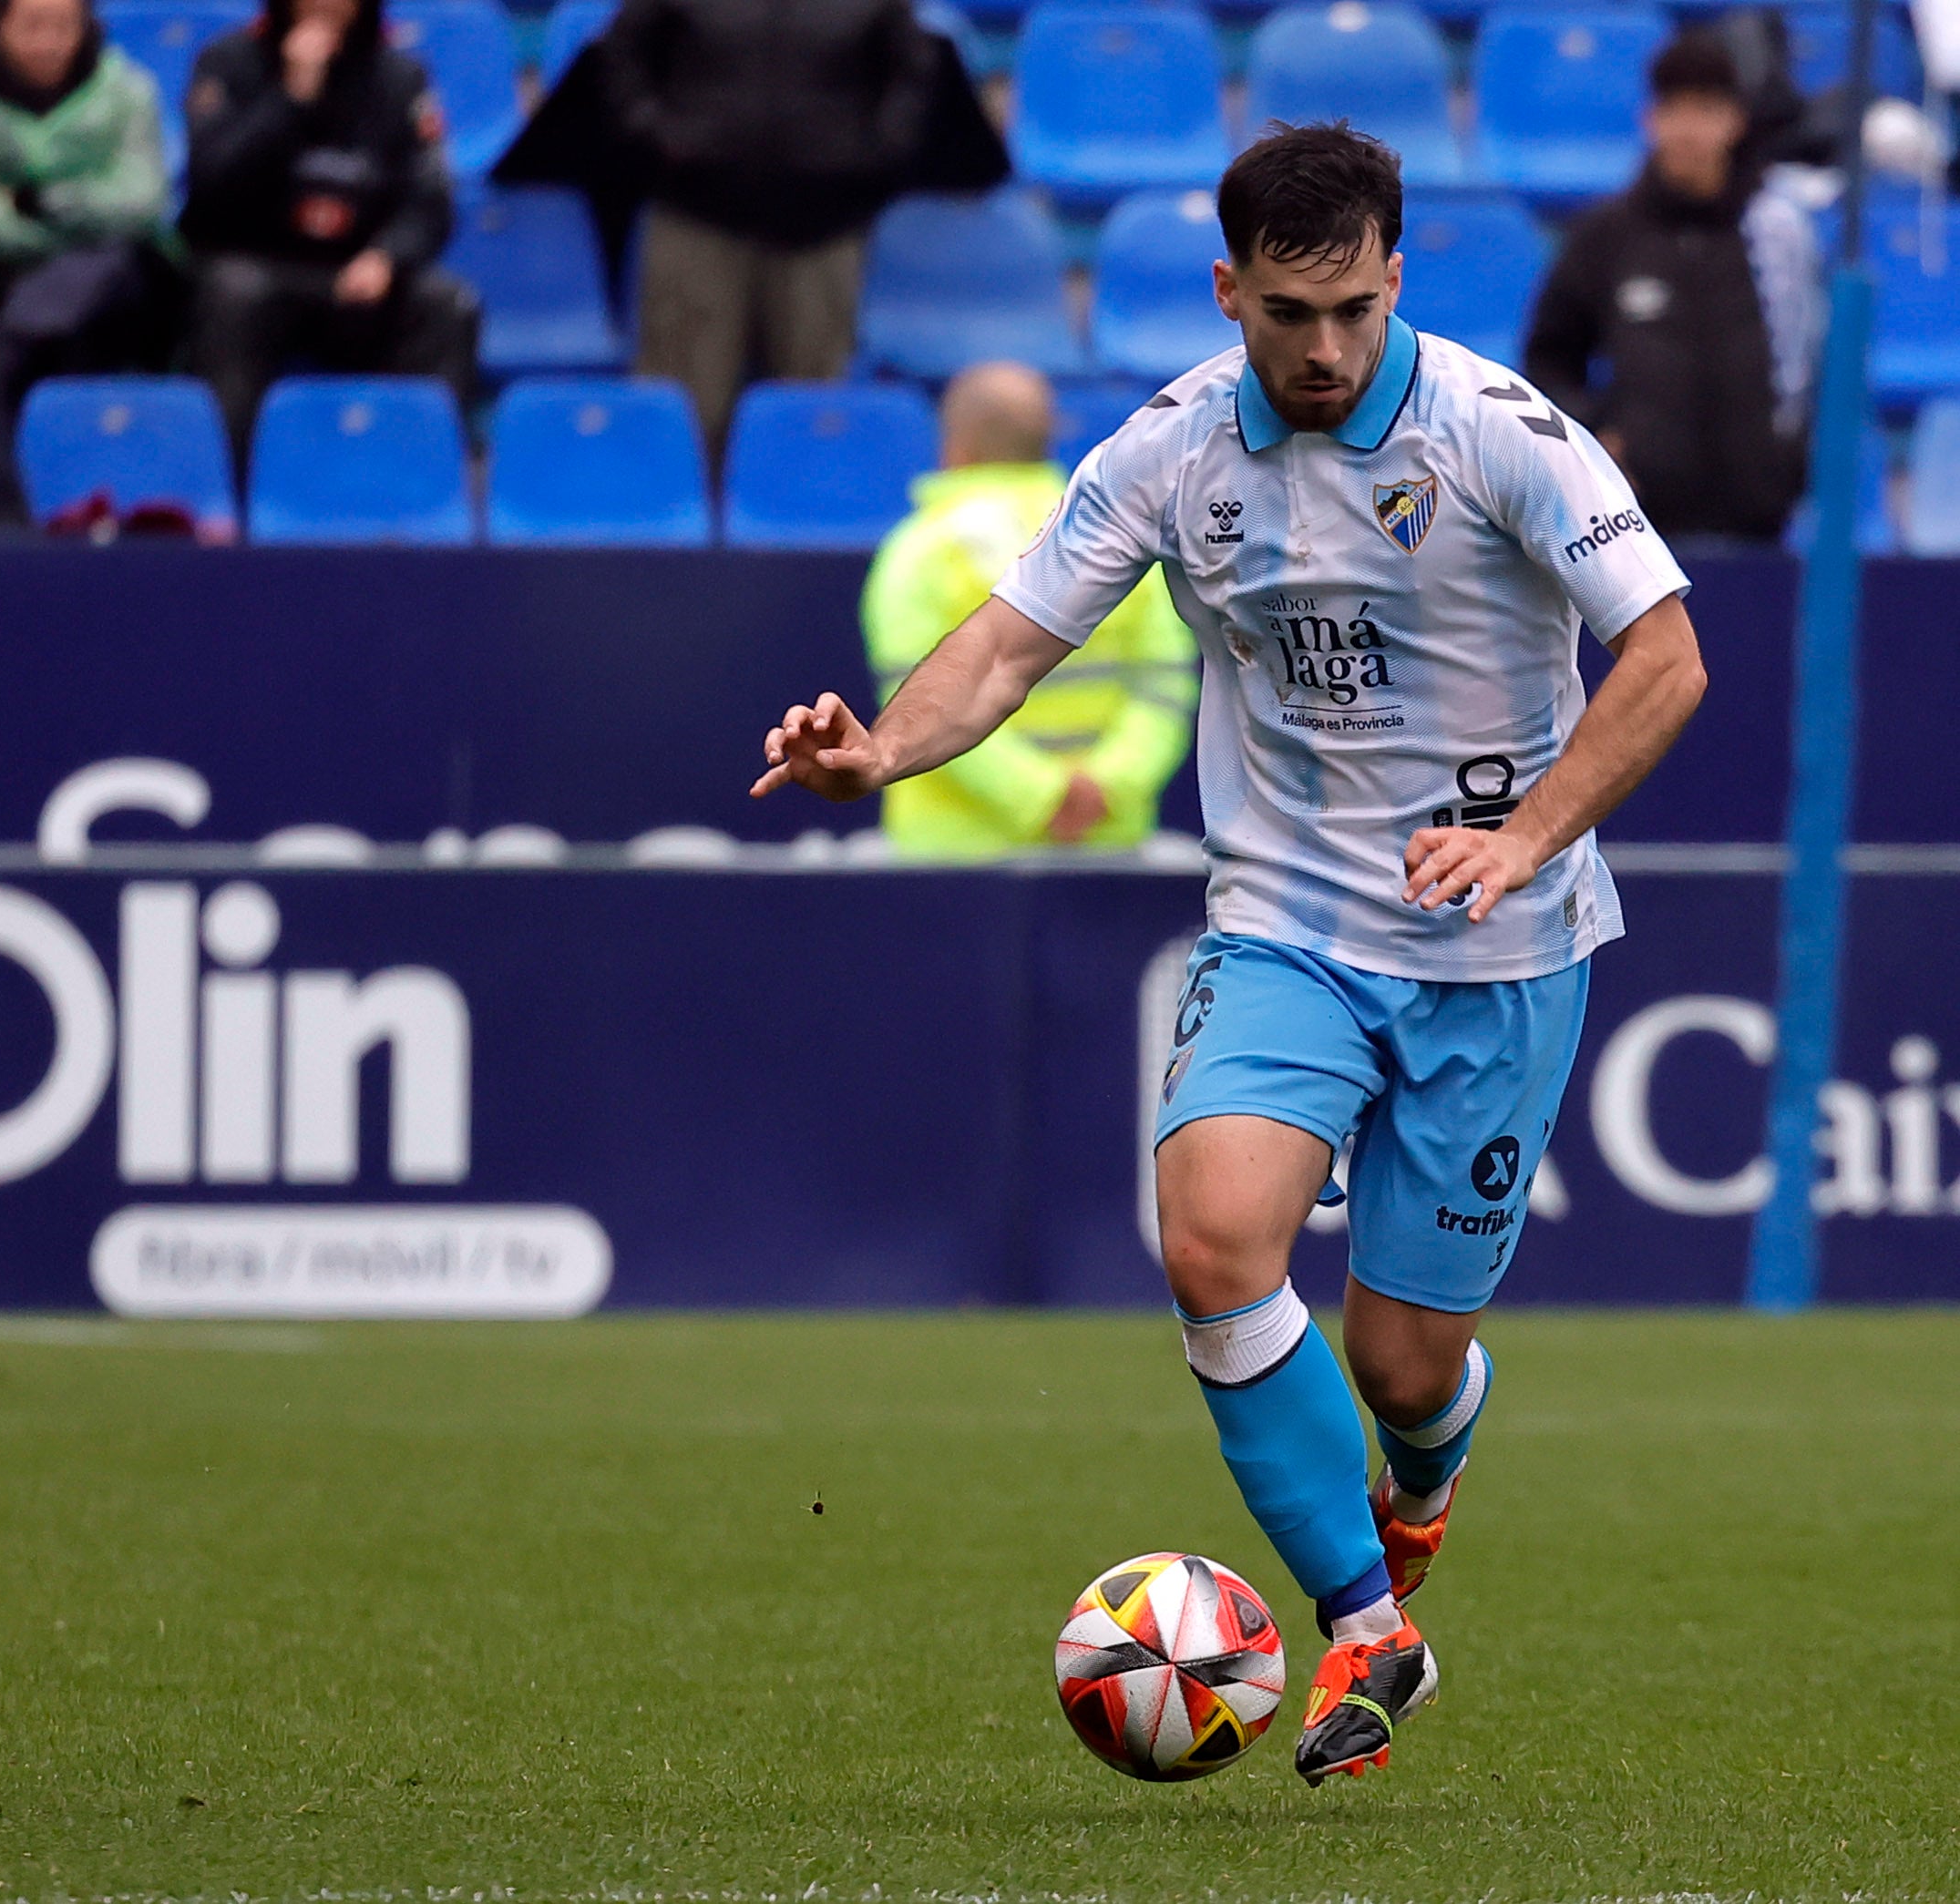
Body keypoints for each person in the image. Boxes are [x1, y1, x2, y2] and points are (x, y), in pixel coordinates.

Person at [753, 124, 1706, 1784]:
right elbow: (1003, 644)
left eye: (1348, 308)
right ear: (1226, 293)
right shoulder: (1171, 449)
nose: (1322, 349)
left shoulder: (1498, 433)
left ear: (1393, 276)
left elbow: (1666, 658)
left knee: (1400, 1369)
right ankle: (1365, 1625)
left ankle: (1424, 1461)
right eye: (1284, 313)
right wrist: (881, 752)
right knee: (1207, 1241)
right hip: (1284, 923)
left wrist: (1525, 833)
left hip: (1500, 942)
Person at [861, 363, 1197, 856]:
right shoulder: (1121, 542)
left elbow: (915, 709)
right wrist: (1103, 788)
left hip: (950, 855)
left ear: (955, 447)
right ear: (1048, 439)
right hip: (1107, 842)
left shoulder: (917, 553)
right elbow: (1165, 687)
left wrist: (1039, 797)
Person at [595, 0, 939, 455]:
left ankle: (803, 514)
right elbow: (619, 54)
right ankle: (679, 516)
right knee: (685, 406)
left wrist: (871, 154)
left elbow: (913, 71)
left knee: (814, 409)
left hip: (822, 225)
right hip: (697, 216)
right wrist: (658, 135)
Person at [1524, 32, 1821, 547]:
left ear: (1735, 121)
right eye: (1674, 110)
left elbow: (1813, 359)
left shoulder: (1776, 233)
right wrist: (1598, 437)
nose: (1688, 129)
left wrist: (1787, 465)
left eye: (1706, 110)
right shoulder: (1605, 235)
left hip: (1760, 529)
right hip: (1639, 533)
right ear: (1651, 119)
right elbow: (1548, 357)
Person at [179, 0, 479, 458]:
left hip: (360, 275)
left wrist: (388, 256)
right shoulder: (227, 63)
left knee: (447, 305)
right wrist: (291, 100)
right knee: (233, 295)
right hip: (258, 267)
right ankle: (229, 490)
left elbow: (430, 201)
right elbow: (211, 187)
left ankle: (422, 485)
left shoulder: (401, 77)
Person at [0, 0, 171, 343]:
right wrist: (41, 240)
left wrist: (44, 203)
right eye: (32, 26)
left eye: (64, 27)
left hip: (104, 269)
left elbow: (143, 198)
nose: (48, 44)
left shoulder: (128, 91)